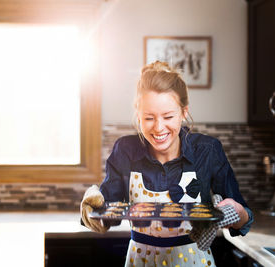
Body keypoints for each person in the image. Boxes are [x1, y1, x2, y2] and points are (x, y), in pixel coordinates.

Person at [81, 61, 253, 267]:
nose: (159, 127)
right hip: (140, 261)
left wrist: (235, 212)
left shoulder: (207, 151)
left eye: (168, 116)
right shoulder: (125, 150)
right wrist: (92, 209)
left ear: (184, 112)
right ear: (138, 115)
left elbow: (245, 218)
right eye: (149, 118)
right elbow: (108, 213)